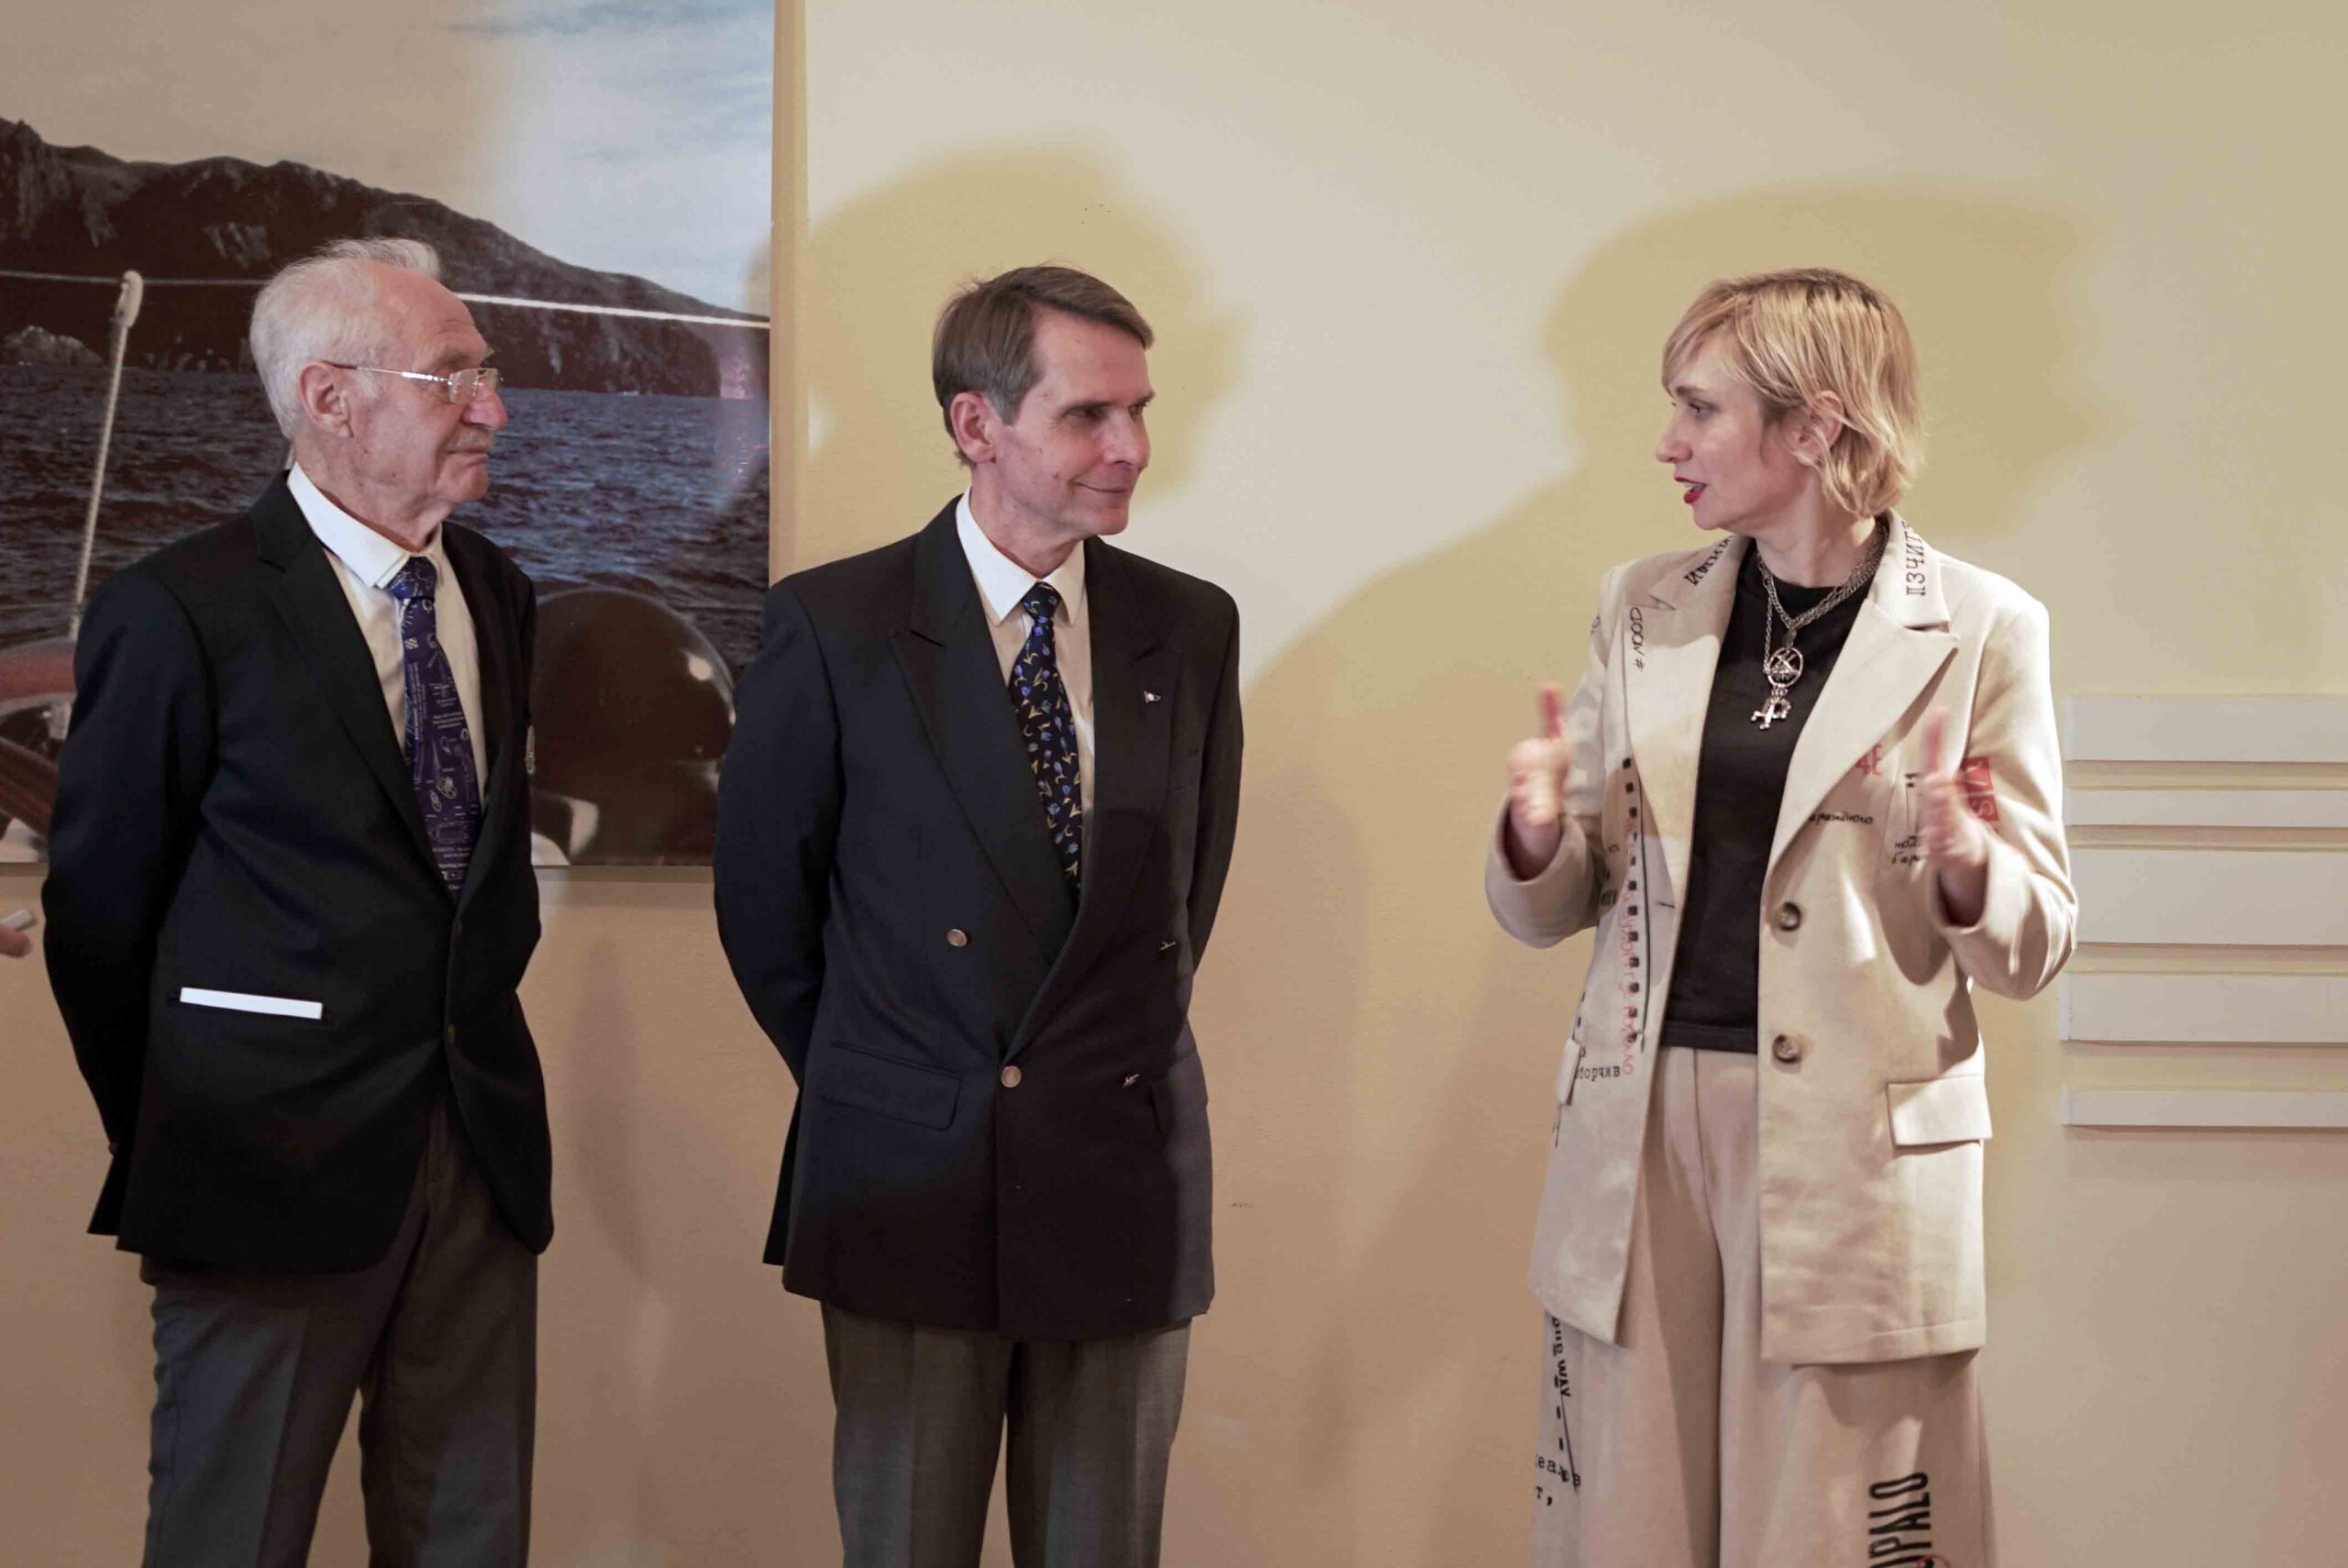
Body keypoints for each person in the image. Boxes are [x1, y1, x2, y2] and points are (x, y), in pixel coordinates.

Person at [1487, 269, 2074, 1567]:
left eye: (1700, 409)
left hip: (1856, 1146)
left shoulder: (1983, 627)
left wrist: (1963, 855)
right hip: (1642, 1124)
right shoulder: (1640, 606)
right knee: (1629, 1520)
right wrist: (1535, 836)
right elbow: (1564, 893)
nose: (1668, 442)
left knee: (1837, 1526)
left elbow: (2033, 943)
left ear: (1813, 425)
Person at [715, 264, 1243, 1568]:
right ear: (976, 425)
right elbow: (766, 914)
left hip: (1119, 1171)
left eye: (1139, 409)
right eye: (1087, 415)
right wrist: (905, 1080)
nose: (1130, 447)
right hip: (907, 1179)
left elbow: (1179, 902)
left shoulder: (1189, 625)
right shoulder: (835, 624)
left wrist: (1070, 1068)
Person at [44, 237, 547, 1567]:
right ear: (332, 399)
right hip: (255, 1169)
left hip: (479, 1157)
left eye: (486, 375)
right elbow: (98, 921)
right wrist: (192, 1126)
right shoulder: (178, 610)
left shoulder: (497, 593)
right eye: (455, 377)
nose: (493, 409)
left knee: (469, 1539)